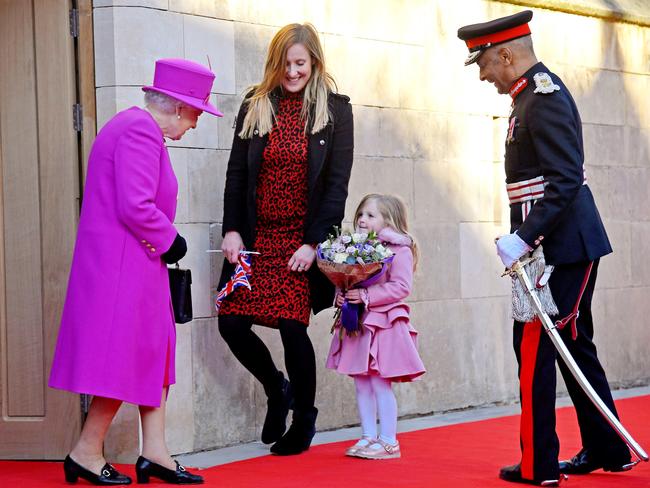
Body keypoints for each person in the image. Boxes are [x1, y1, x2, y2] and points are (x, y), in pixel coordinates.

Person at [457, 10, 632, 486]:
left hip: (562, 248)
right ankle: (608, 447)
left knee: (533, 345)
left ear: (507, 54)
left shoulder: (544, 98)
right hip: (558, 246)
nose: (485, 75)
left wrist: (523, 238)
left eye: (486, 64)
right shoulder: (528, 98)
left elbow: (564, 182)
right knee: (574, 346)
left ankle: (538, 466)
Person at [49, 58, 223, 485]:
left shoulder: (137, 130)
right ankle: (86, 452)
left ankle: (156, 452)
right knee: (123, 358)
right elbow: (136, 205)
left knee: (152, 354)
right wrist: (173, 241)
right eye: (198, 113)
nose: (197, 123)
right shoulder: (140, 131)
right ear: (180, 107)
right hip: (123, 268)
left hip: (135, 266)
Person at [217, 22, 354, 456]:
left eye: (301, 64)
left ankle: (305, 418)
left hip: (300, 239)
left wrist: (314, 244)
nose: (293, 73)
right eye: (285, 64)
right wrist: (232, 229)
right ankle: (278, 388)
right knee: (231, 323)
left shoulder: (335, 111)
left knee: (293, 326)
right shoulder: (256, 105)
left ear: (314, 62)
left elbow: (336, 187)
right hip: (258, 236)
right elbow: (237, 175)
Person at [326, 194, 426, 460]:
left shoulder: (399, 249)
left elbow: (401, 286)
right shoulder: (352, 249)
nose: (362, 220)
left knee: (380, 383)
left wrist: (368, 297)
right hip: (358, 322)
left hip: (383, 323)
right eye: (361, 214)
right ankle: (368, 435)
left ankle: (389, 441)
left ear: (388, 220)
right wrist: (342, 292)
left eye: (371, 215)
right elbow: (348, 278)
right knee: (361, 382)